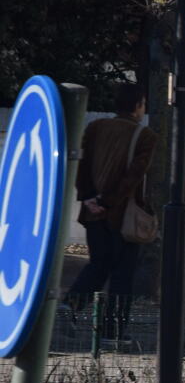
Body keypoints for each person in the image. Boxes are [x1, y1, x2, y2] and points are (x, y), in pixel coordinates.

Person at [65, 84, 158, 341]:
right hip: (123, 217)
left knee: (98, 264)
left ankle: (68, 307)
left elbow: (81, 165)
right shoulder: (145, 136)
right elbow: (133, 178)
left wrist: (88, 198)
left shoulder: (95, 128)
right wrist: (107, 201)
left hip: (92, 212)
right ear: (138, 105)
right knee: (122, 275)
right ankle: (112, 331)